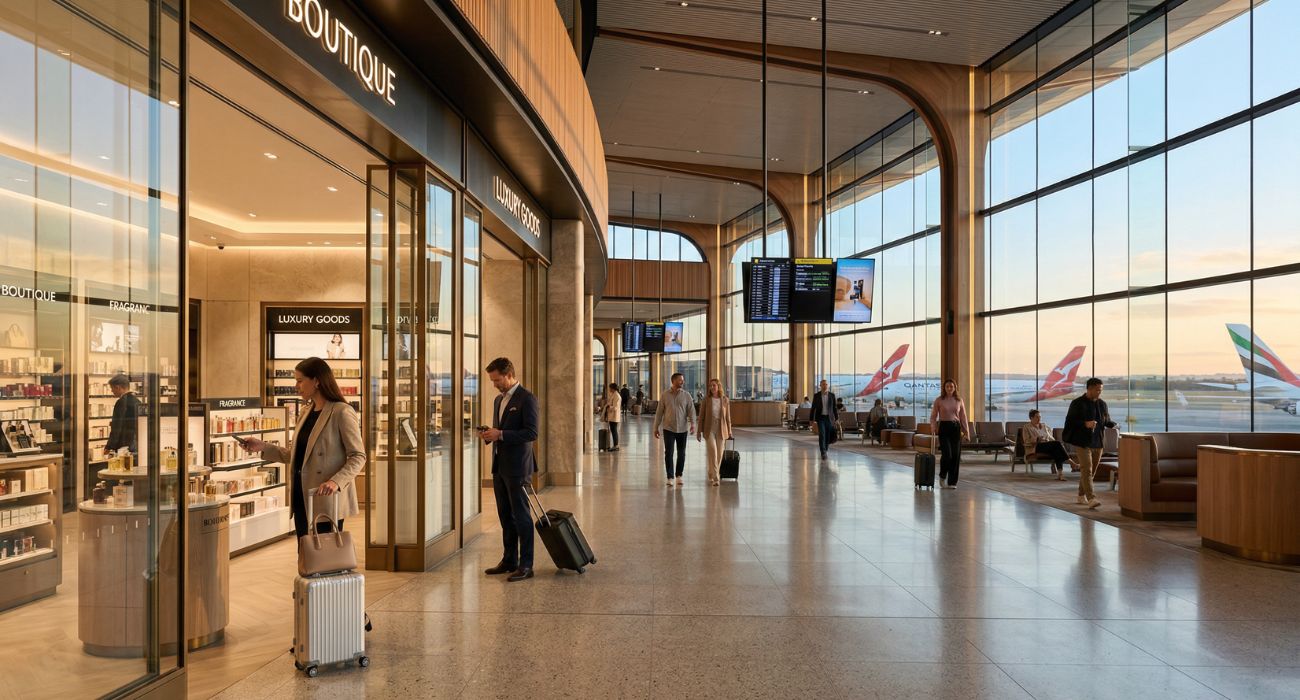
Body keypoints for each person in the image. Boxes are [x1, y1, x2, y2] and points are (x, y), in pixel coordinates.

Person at [242, 357, 365, 540]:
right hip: (302, 495)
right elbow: (298, 455)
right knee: (306, 556)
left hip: (325, 496)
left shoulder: (341, 412)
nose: (296, 386)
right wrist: (263, 447)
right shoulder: (306, 411)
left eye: (300, 380)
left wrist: (336, 482)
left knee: (325, 558)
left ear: (316, 381)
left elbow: (358, 456)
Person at [474, 357, 539, 582]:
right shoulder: (497, 400)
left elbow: (531, 433)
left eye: (497, 380)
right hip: (500, 465)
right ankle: (509, 560)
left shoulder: (527, 398)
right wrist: (489, 434)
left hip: (518, 467)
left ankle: (526, 564)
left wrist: (500, 434)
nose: (495, 384)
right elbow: (500, 430)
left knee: (521, 516)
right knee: (505, 515)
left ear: (509, 374)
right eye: (492, 381)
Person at [1063, 378, 1115, 509]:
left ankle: (1081, 495)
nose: (1099, 392)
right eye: (1097, 390)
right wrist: (1085, 424)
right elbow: (1070, 422)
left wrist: (1112, 424)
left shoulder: (1102, 404)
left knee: (1091, 472)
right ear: (1089, 389)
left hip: (1098, 442)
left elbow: (1106, 420)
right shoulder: (1077, 403)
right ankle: (1091, 498)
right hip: (1082, 442)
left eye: (1101, 390)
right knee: (1086, 469)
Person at [652, 372, 696, 486]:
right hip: (668, 428)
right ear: (674, 381)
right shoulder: (665, 395)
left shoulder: (686, 395)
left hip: (682, 428)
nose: (683, 382)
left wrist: (693, 424)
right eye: (680, 380)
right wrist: (656, 427)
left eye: (683, 380)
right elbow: (659, 413)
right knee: (669, 453)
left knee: (682, 453)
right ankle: (670, 477)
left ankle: (679, 475)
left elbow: (691, 411)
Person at [929, 379, 970, 489]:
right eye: (947, 386)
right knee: (947, 455)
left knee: (956, 456)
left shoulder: (959, 400)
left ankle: (952, 482)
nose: (949, 388)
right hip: (944, 428)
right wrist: (933, 428)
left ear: (955, 387)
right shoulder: (939, 400)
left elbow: (963, 417)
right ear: (944, 388)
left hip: (956, 428)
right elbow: (933, 416)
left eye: (951, 386)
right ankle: (942, 476)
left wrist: (967, 432)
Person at [1022, 409, 1077, 480]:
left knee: (1057, 450)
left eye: (1040, 417)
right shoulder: (1026, 427)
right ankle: (1072, 463)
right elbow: (1026, 440)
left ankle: (1060, 475)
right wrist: (1037, 439)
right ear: (1031, 418)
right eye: (1037, 417)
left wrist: (1055, 443)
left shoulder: (1044, 426)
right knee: (1057, 444)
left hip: (1047, 445)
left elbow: (1051, 438)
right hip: (1035, 447)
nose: (1039, 419)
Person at [696, 378, 733, 486]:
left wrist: (730, 431)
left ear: (718, 386)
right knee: (713, 452)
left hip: (722, 429)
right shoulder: (706, 400)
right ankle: (717, 477)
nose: (712, 387)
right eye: (710, 386)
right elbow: (701, 417)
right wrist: (699, 431)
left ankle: (711, 472)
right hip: (709, 428)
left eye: (714, 385)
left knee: (719, 454)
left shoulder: (725, 400)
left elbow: (728, 417)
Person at [105, 374, 140, 457]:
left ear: (118, 387)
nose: (112, 391)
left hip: (123, 445)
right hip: (136, 443)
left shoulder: (120, 402)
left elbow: (117, 427)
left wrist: (109, 446)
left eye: (112, 388)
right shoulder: (137, 401)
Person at [809, 379, 838, 459]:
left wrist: (836, 418)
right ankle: (823, 452)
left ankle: (825, 449)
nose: (824, 386)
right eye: (823, 384)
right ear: (820, 386)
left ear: (827, 385)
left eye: (826, 384)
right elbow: (813, 408)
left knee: (827, 435)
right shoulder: (817, 395)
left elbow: (834, 408)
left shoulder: (832, 395)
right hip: (820, 418)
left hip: (829, 418)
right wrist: (811, 419)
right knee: (822, 434)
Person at [600, 382, 622, 451]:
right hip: (612, 416)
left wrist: (609, 407)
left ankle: (616, 445)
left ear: (612, 388)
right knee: (613, 430)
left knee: (614, 431)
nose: (609, 389)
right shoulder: (613, 394)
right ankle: (615, 445)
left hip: (614, 416)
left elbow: (616, 407)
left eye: (610, 388)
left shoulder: (617, 396)